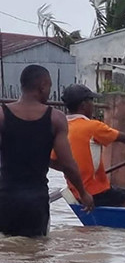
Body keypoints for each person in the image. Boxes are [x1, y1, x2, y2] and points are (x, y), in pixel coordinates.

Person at [0, 65, 94, 237]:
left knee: (7, 249)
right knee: (36, 250)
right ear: (42, 86)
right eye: (49, 86)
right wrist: (83, 193)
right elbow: (68, 164)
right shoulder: (55, 118)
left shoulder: (2, 115)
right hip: (36, 201)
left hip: (5, 198)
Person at [52, 84, 125, 207]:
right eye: (91, 101)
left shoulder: (61, 127)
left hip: (75, 190)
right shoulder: (93, 127)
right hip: (95, 191)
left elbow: (51, 161)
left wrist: (72, 171)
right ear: (83, 105)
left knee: (123, 193)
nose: (93, 105)